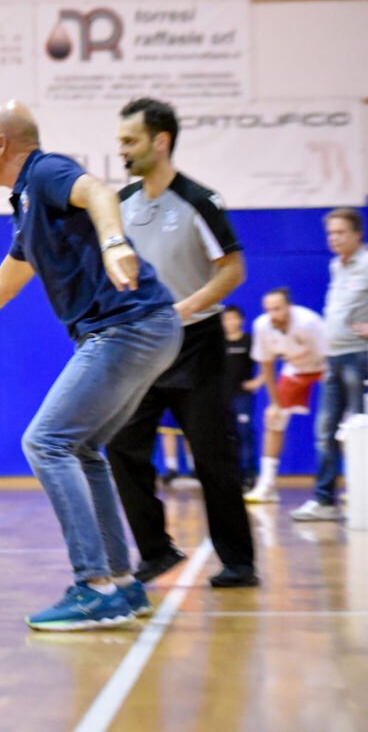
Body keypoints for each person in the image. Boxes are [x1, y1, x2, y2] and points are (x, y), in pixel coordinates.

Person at [0, 100, 180, 631]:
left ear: (1, 144)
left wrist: (115, 241)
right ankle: (120, 582)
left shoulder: (44, 172)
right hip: (149, 328)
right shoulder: (27, 204)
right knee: (83, 447)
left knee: (45, 442)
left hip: (126, 326)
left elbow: (97, 190)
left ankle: (92, 587)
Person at [107, 97, 257, 589]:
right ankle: (156, 551)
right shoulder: (121, 204)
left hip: (197, 345)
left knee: (212, 457)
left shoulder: (199, 201)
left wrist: (183, 309)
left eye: (130, 140)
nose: (122, 149)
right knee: (124, 447)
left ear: (161, 141)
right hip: (141, 346)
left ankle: (238, 561)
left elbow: (232, 271)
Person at [290, 208, 368, 521]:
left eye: (340, 232)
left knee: (359, 430)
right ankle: (324, 501)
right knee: (326, 430)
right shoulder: (337, 265)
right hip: (334, 359)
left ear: (357, 234)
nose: (334, 238)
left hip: (359, 357)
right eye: (330, 233)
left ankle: (361, 494)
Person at [244, 288, 327, 504]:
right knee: (274, 419)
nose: (273, 314)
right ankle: (267, 485)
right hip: (296, 368)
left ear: (289, 307)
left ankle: (358, 483)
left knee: (341, 424)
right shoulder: (262, 325)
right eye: (268, 309)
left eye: (277, 309)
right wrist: (274, 403)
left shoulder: (309, 322)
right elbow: (267, 365)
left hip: (326, 367)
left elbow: (331, 356)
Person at [222, 304, 259, 488]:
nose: (230, 322)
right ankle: (232, 474)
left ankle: (248, 474)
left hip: (243, 396)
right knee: (228, 435)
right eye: (226, 319)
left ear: (241, 320)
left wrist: (258, 381)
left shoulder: (249, 341)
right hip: (222, 397)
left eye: (233, 318)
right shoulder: (219, 342)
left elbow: (267, 361)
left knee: (245, 433)